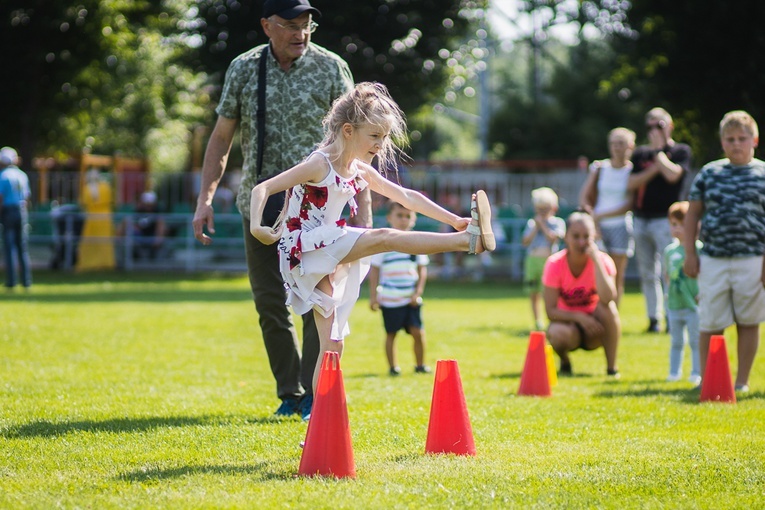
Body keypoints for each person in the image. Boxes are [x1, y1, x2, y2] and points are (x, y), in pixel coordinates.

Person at [249, 82, 496, 393]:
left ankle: (318, 427)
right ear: (349, 131)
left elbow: (407, 196)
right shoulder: (318, 163)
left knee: (332, 345)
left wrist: (454, 219)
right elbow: (262, 189)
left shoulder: (358, 169)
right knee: (384, 237)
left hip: (328, 248)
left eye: (385, 137)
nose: (381, 144)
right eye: (375, 136)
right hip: (304, 249)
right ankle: (467, 241)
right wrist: (257, 227)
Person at [192, 0, 363, 421]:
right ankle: (290, 392)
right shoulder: (244, 69)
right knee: (270, 302)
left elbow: (357, 145)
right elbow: (221, 137)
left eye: (307, 25)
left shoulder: (332, 68)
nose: (300, 34)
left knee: (317, 300)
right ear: (267, 25)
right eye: (290, 25)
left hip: (319, 207)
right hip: (262, 204)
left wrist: (364, 217)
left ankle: (311, 398)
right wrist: (205, 198)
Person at [684, 110, 765, 393]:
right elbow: (692, 215)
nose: (736, 144)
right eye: (730, 139)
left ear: (754, 139)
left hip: (753, 258)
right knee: (710, 322)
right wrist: (690, 253)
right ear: (722, 142)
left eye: (742, 138)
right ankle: (710, 380)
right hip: (713, 257)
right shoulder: (710, 173)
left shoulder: (763, 173)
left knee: (748, 320)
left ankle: (741, 381)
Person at [628, 108, 692, 333]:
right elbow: (632, 183)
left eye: (659, 126)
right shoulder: (639, 154)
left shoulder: (681, 151)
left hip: (668, 222)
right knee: (647, 272)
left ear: (670, 126)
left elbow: (674, 175)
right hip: (642, 219)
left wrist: (659, 154)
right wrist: (656, 163)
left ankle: (671, 316)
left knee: (670, 270)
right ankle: (653, 318)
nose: (654, 130)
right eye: (650, 126)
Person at [542, 211, 620, 377]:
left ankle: (612, 369)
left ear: (594, 237)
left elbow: (608, 297)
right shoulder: (554, 264)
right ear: (566, 237)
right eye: (576, 236)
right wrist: (580, 318)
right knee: (555, 333)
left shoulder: (603, 260)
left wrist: (596, 260)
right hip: (570, 327)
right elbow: (550, 311)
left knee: (610, 309)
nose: (581, 242)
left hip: (596, 328)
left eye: (587, 236)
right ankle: (564, 361)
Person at [368, 202, 431, 376]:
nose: (403, 220)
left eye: (408, 216)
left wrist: (417, 292)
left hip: (410, 297)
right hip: (390, 298)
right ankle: (393, 367)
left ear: (413, 220)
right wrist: (373, 296)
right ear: (389, 218)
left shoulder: (417, 242)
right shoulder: (384, 242)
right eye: (399, 215)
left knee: (418, 332)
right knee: (391, 333)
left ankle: (420, 365)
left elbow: (422, 269)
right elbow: (375, 270)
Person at [579, 127, 636, 305]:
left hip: (620, 225)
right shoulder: (599, 168)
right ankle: (595, 311)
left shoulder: (633, 171)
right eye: (613, 144)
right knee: (597, 271)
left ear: (630, 146)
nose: (616, 148)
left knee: (617, 275)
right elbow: (584, 197)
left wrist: (600, 215)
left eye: (621, 143)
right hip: (598, 227)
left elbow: (629, 204)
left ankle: (614, 315)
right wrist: (593, 219)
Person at [663, 201, 702, 384]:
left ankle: (696, 372)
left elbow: (705, 274)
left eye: (682, 224)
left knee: (696, 341)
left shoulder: (699, 249)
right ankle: (674, 372)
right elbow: (667, 275)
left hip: (693, 305)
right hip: (674, 305)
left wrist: (702, 294)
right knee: (676, 342)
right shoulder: (669, 251)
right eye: (673, 224)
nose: (677, 229)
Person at [521, 187, 565, 331]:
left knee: (550, 294)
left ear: (553, 208)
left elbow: (552, 239)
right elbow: (525, 241)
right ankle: (537, 322)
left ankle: (552, 320)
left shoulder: (557, 223)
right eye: (539, 209)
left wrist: (543, 225)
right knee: (534, 293)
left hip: (549, 263)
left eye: (545, 209)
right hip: (533, 261)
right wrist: (535, 227)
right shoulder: (531, 223)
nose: (542, 213)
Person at [0, 147, 32, 290]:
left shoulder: (3, 175)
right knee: (22, 248)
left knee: (9, 247)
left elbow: (1, 197)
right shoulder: (22, 175)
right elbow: (26, 198)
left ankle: (11, 282)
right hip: (21, 211)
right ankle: (26, 282)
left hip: (8, 212)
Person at [77, 168, 116, 271]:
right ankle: (105, 262)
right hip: (103, 217)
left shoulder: (88, 188)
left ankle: (94, 263)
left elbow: (83, 204)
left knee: (96, 241)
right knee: (102, 241)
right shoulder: (105, 187)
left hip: (93, 217)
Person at [119, 191, 167, 261]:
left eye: (150, 205)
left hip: (152, 235)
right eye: (147, 204)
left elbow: (161, 227)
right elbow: (132, 223)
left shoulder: (158, 212)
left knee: (160, 233)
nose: (148, 207)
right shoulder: (138, 211)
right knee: (126, 221)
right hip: (139, 235)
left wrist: (159, 238)